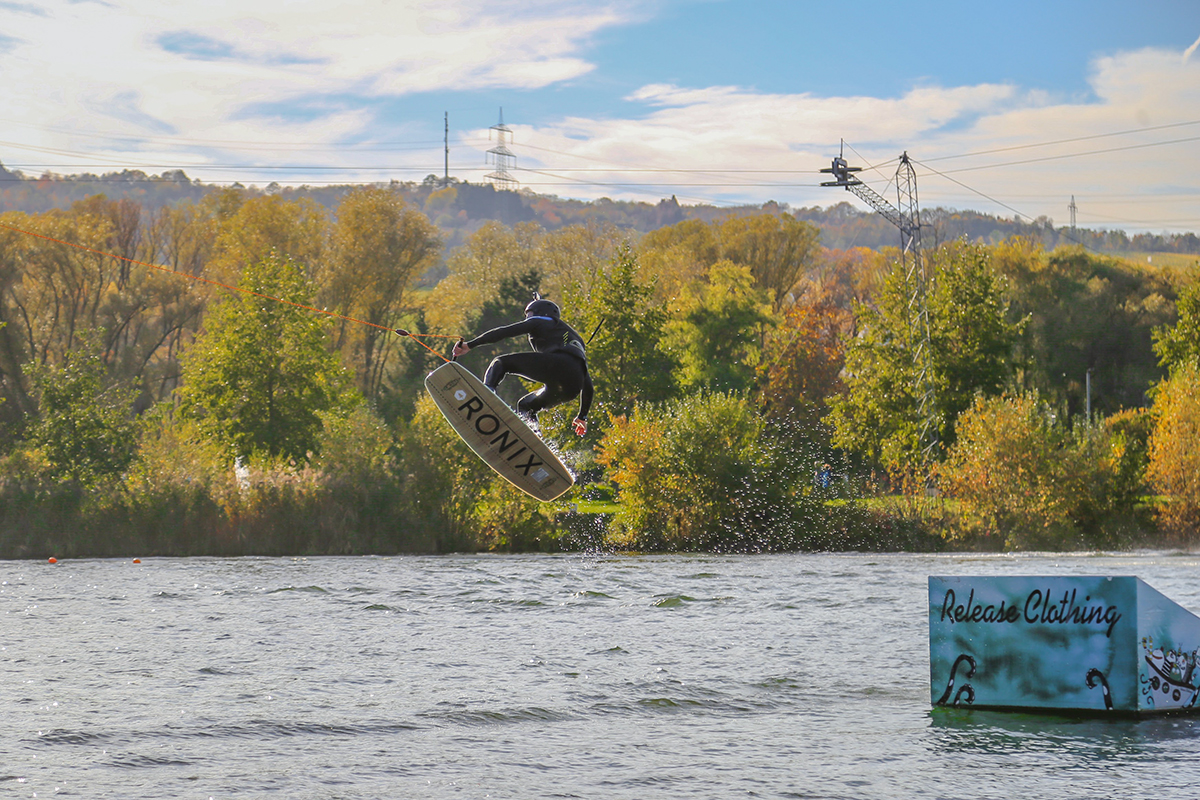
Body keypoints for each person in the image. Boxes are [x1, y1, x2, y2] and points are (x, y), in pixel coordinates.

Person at [452, 297, 593, 436]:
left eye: (529, 314)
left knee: (500, 363)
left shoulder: (542, 320)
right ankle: (534, 435)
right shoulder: (575, 343)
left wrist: (470, 345)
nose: (528, 319)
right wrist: (582, 416)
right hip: (572, 386)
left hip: (556, 364)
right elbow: (587, 384)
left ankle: (486, 396)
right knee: (526, 406)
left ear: (541, 312)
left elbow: (504, 332)